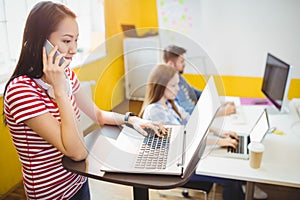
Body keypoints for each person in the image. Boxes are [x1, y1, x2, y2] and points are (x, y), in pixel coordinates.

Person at [2, 2, 164, 199]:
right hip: (52, 193)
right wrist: (60, 92)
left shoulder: (66, 74)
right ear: (41, 42)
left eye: (76, 40)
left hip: (78, 180)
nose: (73, 49)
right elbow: (77, 152)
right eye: (67, 41)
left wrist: (131, 120)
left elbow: (97, 114)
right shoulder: (21, 90)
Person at [162, 45, 268, 199]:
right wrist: (219, 138)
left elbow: (195, 100)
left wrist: (219, 121)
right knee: (230, 174)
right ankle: (241, 187)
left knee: (233, 158)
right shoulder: (162, 108)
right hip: (183, 162)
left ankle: (245, 186)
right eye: (181, 61)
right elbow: (188, 132)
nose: (178, 88)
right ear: (171, 65)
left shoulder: (173, 97)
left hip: (190, 150)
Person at [139, 64, 245, 200]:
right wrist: (219, 141)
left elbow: (193, 123)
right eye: (173, 85)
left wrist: (220, 132)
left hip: (186, 156)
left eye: (177, 84)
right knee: (230, 178)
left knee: (231, 171)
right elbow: (185, 139)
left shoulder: (170, 103)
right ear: (160, 86)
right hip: (175, 167)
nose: (178, 89)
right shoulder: (155, 111)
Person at [162, 45, 236, 116]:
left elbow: (194, 93)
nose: (184, 64)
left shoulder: (178, 77)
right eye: (181, 61)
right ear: (171, 64)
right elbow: (191, 112)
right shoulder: (172, 85)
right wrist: (223, 112)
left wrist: (219, 102)